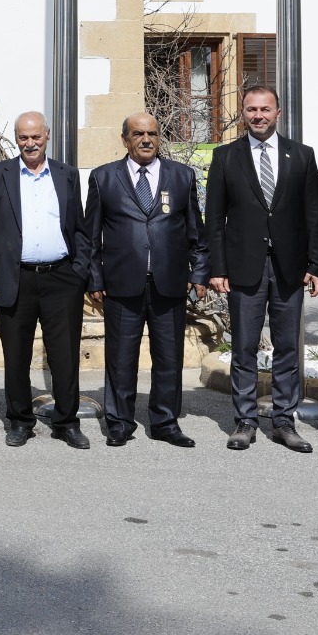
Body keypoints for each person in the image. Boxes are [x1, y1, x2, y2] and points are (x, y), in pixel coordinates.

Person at [205, 85, 318, 453]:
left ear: (278, 113)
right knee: (243, 346)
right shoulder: (226, 157)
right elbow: (215, 219)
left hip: (290, 268)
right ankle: (245, 420)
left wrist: (317, 265)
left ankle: (284, 421)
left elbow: (315, 214)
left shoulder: (302, 155)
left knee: (287, 346)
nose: (258, 115)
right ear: (243, 113)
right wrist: (217, 268)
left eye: (265, 109)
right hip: (244, 267)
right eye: (251, 109)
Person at [84, 113, 208, 449]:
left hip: (169, 282)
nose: (146, 139)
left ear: (159, 137)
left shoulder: (181, 176)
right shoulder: (103, 177)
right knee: (121, 358)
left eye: (152, 133)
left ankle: (165, 422)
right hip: (121, 283)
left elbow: (196, 232)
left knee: (169, 357)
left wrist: (198, 273)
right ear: (125, 139)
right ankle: (119, 422)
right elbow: (90, 236)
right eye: (138, 133)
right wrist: (94, 277)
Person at [0, 111, 92, 449]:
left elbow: (79, 227)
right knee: (16, 355)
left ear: (47, 136)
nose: (30, 143)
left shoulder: (67, 174)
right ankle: (20, 421)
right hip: (16, 278)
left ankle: (66, 422)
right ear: (16, 138)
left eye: (36, 137)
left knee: (64, 356)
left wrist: (79, 270)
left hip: (62, 278)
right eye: (23, 137)